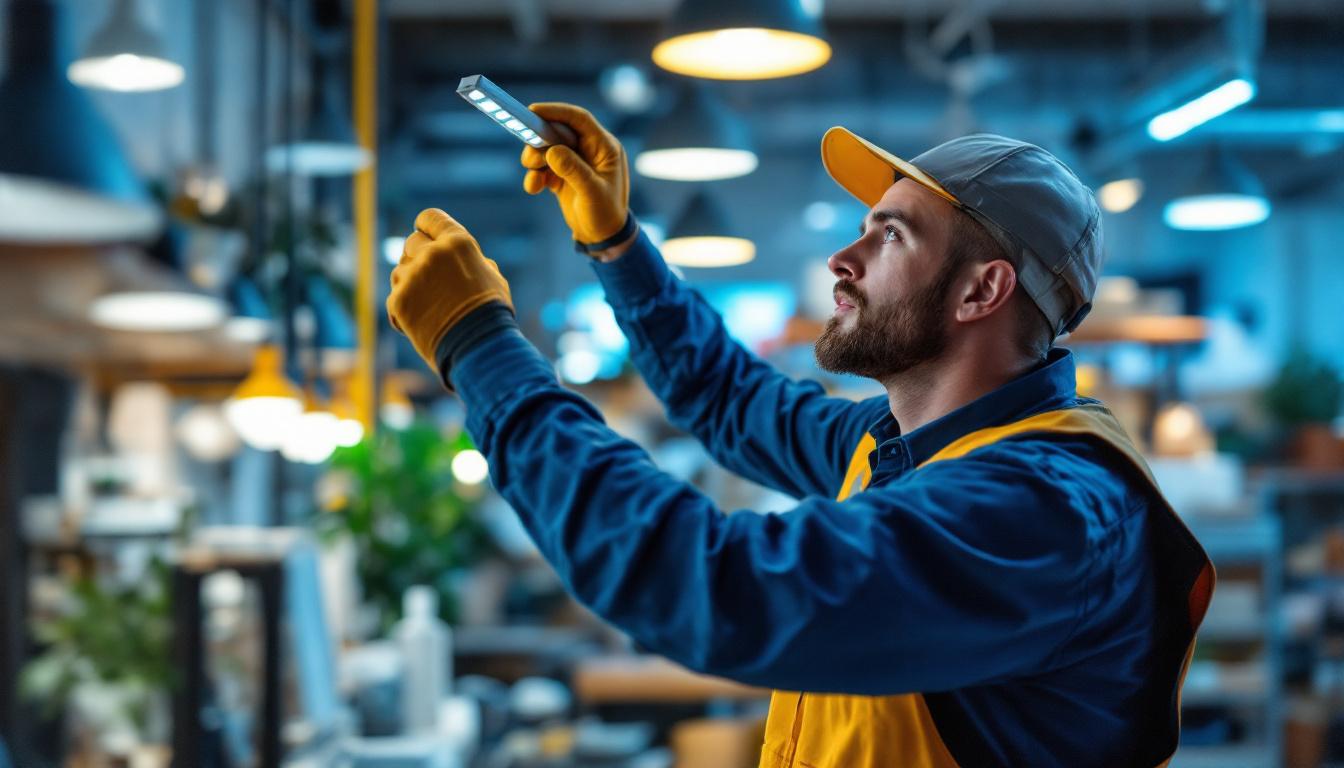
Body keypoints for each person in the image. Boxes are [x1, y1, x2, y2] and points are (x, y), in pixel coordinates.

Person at [386, 103, 1214, 767]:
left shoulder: (1041, 511)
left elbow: (723, 591)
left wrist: (480, 347)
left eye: (891, 235)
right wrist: (617, 242)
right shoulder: (898, 448)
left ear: (981, 292)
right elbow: (727, 397)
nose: (841, 259)